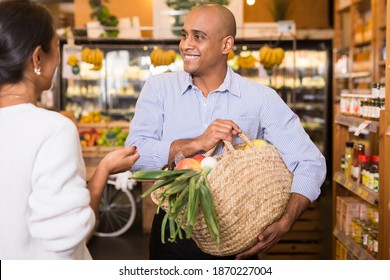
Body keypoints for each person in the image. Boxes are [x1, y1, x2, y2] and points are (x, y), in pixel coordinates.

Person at [126, 4, 326, 260]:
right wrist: (197, 143)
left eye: (198, 37)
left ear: (226, 44)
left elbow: (311, 162)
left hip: (238, 235)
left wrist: (286, 222)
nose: (186, 44)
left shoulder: (260, 98)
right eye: (184, 34)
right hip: (173, 230)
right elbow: (135, 156)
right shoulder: (159, 89)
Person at [0, 0, 139, 260]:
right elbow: (68, 238)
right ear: (37, 58)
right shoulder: (54, 129)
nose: (58, 60)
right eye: (56, 48)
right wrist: (103, 171)